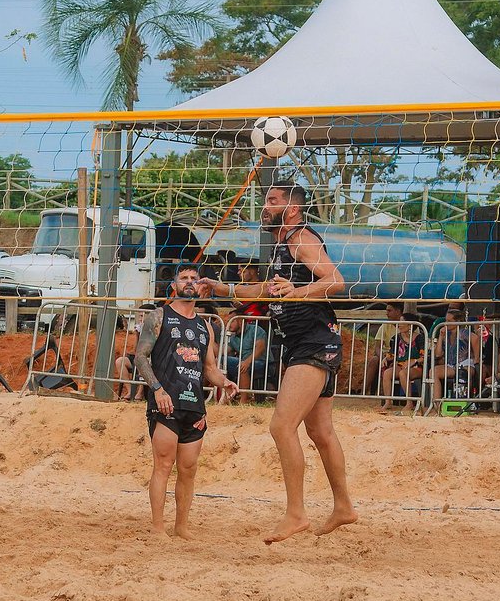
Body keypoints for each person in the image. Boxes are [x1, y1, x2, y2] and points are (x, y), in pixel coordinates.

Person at [202, 183, 355, 543]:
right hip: (306, 342)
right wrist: (222, 288)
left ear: (293, 209)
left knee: (281, 426)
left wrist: (297, 292)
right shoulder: (281, 246)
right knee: (320, 432)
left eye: (272, 201)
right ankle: (344, 507)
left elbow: (335, 280)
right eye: (265, 200)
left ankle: (296, 514)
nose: (265, 206)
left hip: (314, 342)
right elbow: (264, 291)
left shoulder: (301, 239)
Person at [131, 264, 237, 540]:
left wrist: (224, 382)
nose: (189, 282)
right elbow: (140, 357)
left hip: (194, 406)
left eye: (193, 278)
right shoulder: (159, 316)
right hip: (166, 403)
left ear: (200, 285)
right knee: (163, 466)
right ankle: (158, 527)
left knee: (188, 469)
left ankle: (181, 527)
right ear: (174, 284)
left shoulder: (205, 326)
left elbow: (209, 368)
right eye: (184, 278)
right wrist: (157, 390)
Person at [375, 303, 425, 413]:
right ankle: (388, 402)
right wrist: (386, 358)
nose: (399, 325)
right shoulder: (396, 338)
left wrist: (413, 361)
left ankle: (409, 403)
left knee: (403, 373)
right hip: (401, 365)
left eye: (402, 322)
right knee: (387, 373)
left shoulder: (419, 338)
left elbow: (424, 356)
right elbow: (392, 354)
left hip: (416, 367)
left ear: (410, 325)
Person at [430, 305, 480, 408]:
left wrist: (476, 357)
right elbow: (438, 354)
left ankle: (466, 402)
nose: (446, 323)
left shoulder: (464, 333)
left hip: (465, 363)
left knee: (464, 373)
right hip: (451, 364)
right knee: (433, 371)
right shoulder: (446, 334)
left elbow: (475, 339)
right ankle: (437, 404)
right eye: (446, 321)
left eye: (449, 321)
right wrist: (441, 337)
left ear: (457, 321)